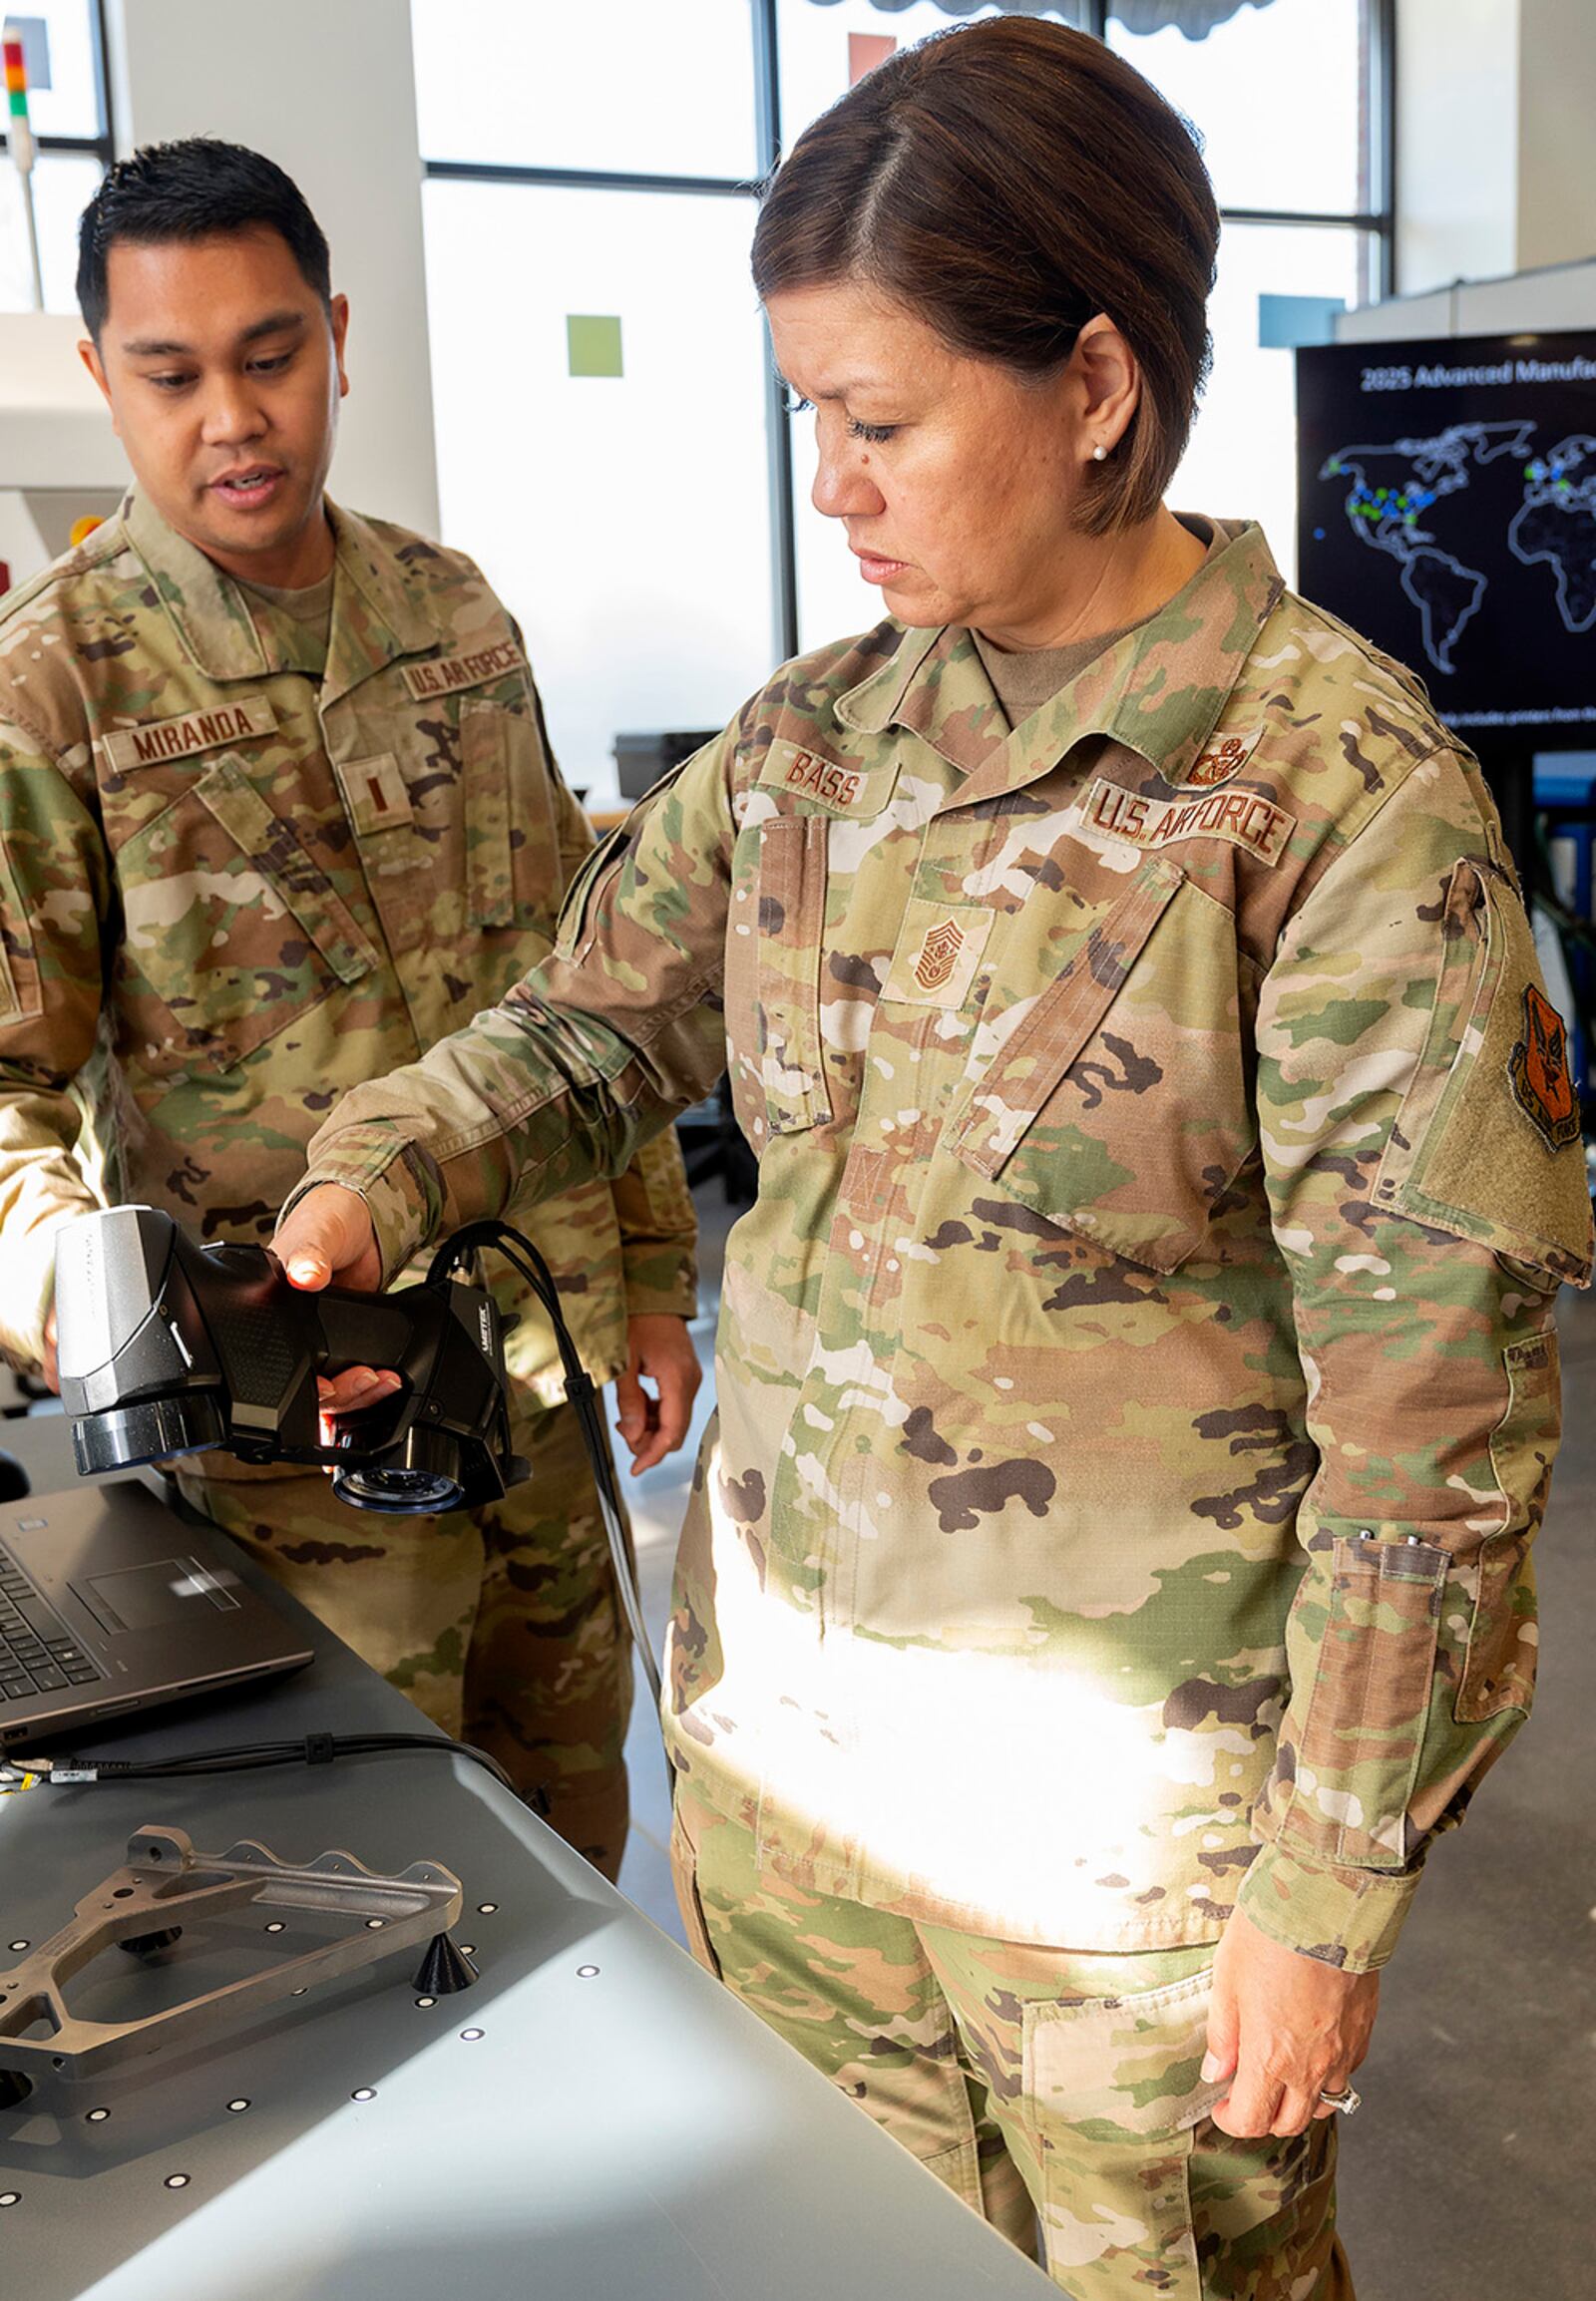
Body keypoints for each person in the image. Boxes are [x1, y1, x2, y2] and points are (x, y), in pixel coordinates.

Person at [273, 21, 1592, 2297]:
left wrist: (1322, 1882)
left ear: (1092, 382)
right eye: (807, 417)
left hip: (1125, 1878)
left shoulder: (1333, 798)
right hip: (792, 1800)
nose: (830, 486)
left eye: (875, 421)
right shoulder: (815, 739)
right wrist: (381, 1170)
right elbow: (598, 1015)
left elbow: (1432, 1439)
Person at [0, 139, 701, 1880]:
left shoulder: (454, 617)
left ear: (335, 336)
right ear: (101, 379)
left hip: (537, 1371)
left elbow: (584, 979)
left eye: (269, 355)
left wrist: (659, 1281)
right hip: (297, 1449)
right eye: (170, 374)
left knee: (573, 1826)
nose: (231, 417)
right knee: (362, 1892)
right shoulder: (55, 685)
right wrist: (122, 1320)